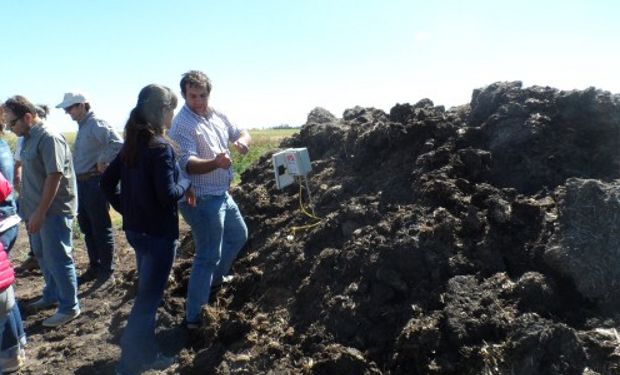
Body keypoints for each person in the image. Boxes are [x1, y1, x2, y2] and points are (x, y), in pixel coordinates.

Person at [101, 84, 194, 375]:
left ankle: (145, 352)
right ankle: (131, 363)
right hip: (159, 236)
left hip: (136, 232)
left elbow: (106, 183)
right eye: (171, 111)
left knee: (147, 294)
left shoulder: (134, 143)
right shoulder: (160, 147)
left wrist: (127, 210)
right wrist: (186, 183)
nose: (172, 117)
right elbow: (168, 194)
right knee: (147, 301)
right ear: (162, 111)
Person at [167, 70, 250, 328]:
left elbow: (241, 132)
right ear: (184, 95)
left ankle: (213, 282)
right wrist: (215, 162)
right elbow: (187, 164)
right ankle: (194, 317)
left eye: (202, 95)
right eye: (192, 96)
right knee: (207, 254)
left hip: (221, 194)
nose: (198, 100)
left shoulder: (217, 114)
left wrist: (243, 142)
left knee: (238, 235)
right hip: (201, 199)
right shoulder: (182, 124)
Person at [3, 95, 80, 328]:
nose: (9, 128)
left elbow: (54, 176)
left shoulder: (49, 137)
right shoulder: (27, 138)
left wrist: (40, 212)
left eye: (12, 123)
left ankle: (69, 307)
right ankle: (51, 294)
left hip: (52, 211)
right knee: (43, 255)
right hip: (35, 210)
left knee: (58, 258)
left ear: (28, 117)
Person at [56, 92, 122, 285]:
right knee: (87, 227)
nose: (68, 112)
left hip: (93, 182)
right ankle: (95, 266)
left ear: (82, 106)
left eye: (70, 108)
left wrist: (102, 161)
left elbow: (118, 144)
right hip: (83, 183)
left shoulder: (96, 124)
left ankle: (106, 271)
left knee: (100, 227)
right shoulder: (85, 125)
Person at [0, 109, 25, 372]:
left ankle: (9, 353)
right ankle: (16, 342)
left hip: (3, 220)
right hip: (6, 218)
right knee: (5, 289)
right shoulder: (3, 147)